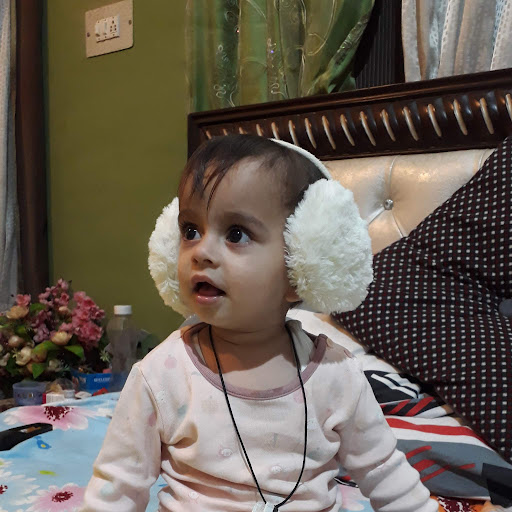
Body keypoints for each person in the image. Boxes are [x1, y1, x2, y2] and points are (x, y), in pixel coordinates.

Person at [82, 135, 437, 512]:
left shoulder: (337, 376)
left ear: (302, 261)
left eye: (236, 234)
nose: (201, 252)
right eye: (190, 231)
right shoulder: (161, 374)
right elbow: (117, 487)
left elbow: (386, 474)